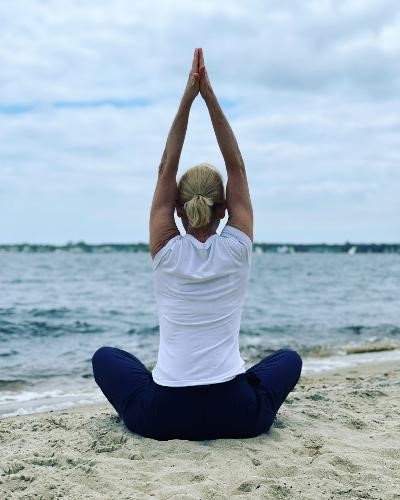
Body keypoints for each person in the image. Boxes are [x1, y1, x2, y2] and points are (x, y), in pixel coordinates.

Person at [92, 48, 302, 441]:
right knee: (288, 360)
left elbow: (164, 167)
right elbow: (237, 165)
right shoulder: (237, 248)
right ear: (223, 209)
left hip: (163, 415)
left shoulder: (165, 251)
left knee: (106, 357)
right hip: (237, 414)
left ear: (176, 208)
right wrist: (209, 97)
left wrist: (187, 98)